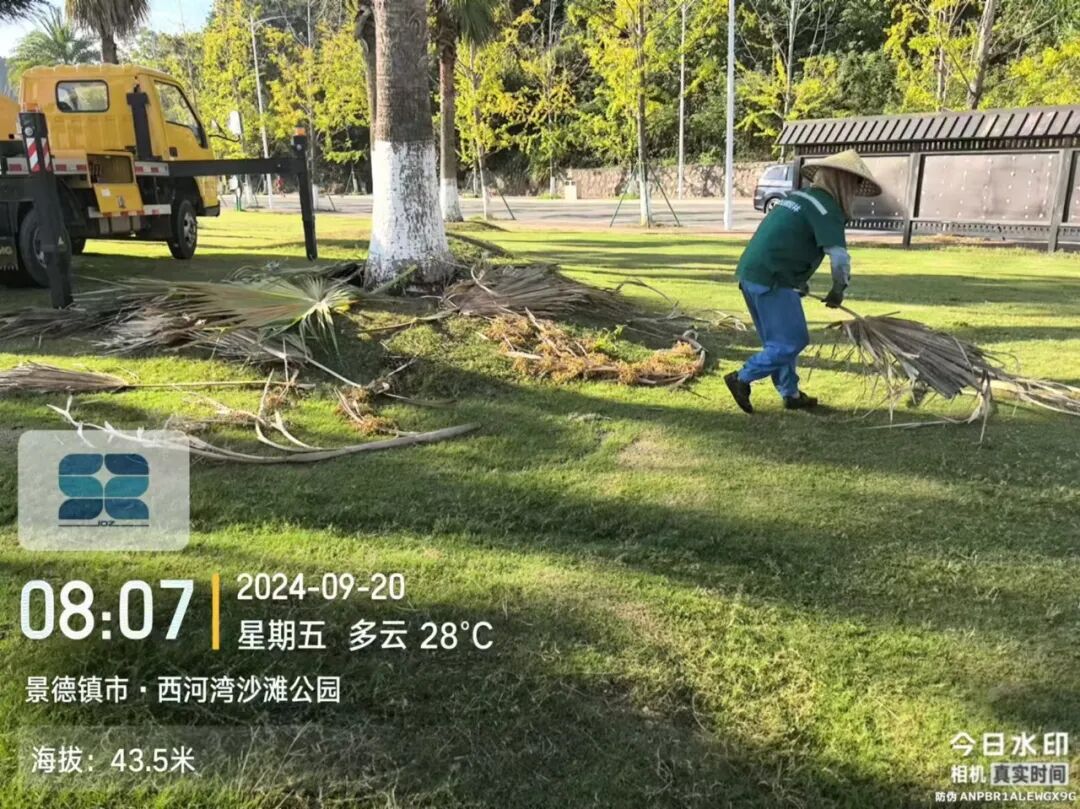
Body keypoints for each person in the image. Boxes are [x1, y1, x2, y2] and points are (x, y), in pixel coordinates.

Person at [724, 149, 881, 414]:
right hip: (773, 279)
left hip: (753, 274)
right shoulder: (826, 208)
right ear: (842, 181)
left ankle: (790, 393)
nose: (854, 191)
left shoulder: (798, 198)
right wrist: (838, 290)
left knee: (778, 342)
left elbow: (786, 239)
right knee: (791, 342)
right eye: (854, 184)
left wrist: (798, 280)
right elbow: (839, 259)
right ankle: (742, 378)